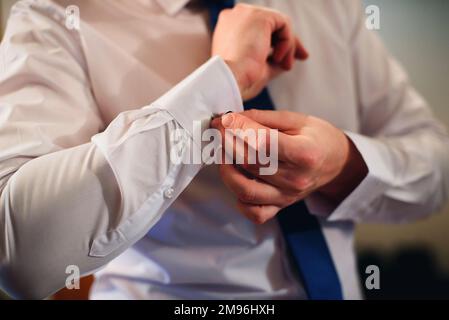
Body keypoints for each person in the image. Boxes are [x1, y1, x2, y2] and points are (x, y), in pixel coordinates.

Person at [0, 0, 448, 300]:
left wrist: (344, 163)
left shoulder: (334, 8)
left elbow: (437, 168)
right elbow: (20, 259)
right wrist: (223, 79)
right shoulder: (56, 16)